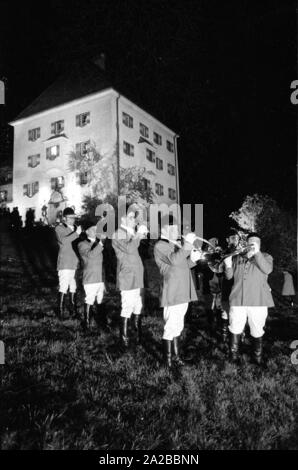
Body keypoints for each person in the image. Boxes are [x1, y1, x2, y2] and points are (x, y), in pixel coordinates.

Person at [154, 217, 202, 367]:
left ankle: (176, 357)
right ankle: (167, 361)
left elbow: (181, 265)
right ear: (163, 230)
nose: (177, 231)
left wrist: (193, 260)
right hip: (173, 291)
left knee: (178, 326)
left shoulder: (175, 245)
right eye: (173, 229)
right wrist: (187, 244)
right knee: (170, 327)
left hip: (182, 291)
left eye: (177, 228)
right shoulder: (160, 245)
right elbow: (174, 260)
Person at [223, 232, 274, 365]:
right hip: (237, 298)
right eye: (249, 242)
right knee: (234, 327)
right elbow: (229, 277)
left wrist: (257, 253)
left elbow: (267, 270)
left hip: (258, 300)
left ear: (259, 244)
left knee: (257, 329)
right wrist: (228, 265)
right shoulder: (238, 257)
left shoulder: (266, 257)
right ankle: (233, 358)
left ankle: (256, 359)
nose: (251, 245)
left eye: (255, 242)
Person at [112, 210, 148, 347]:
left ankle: (138, 337)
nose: (135, 220)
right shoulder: (118, 233)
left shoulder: (130, 234)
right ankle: (124, 341)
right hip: (127, 276)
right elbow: (130, 249)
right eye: (131, 217)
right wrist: (138, 235)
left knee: (138, 306)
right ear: (123, 219)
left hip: (137, 275)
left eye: (135, 218)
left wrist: (139, 235)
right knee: (127, 307)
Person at [55, 207, 81, 318]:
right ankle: (60, 313)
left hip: (75, 262)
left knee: (74, 287)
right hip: (65, 262)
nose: (73, 220)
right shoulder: (59, 228)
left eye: (74, 217)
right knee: (63, 286)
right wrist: (76, 233)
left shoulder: (76, 228)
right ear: (64, 218)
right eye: (70, 218)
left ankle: (73, 311)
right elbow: (64, 241)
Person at [78, 225, 105, 329]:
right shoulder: (82, 244)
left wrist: (104, 280)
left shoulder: (98, 244)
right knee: (89, 299)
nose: (96, 231)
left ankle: (101, 322)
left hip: (99, 278)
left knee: (100, 300)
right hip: (90, 278)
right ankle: (87, 324)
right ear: (87, 232)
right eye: (93, 229)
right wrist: (101, 243)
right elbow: (91, 255)